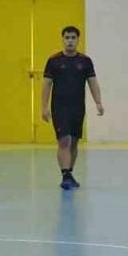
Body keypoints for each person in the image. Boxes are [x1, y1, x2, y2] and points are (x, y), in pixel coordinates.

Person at [40, 26, 103, 190]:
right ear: (63, 39)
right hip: (59, 107)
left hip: (77, 107)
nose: (70, 41)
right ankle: (65, 175)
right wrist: (44, 107)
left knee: (74, 142)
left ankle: (69, 173)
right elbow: (46, 85)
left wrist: (98, 102)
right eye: (67, 37)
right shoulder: (53, 61)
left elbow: (93, 82)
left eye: (73, 38)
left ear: (78, 40)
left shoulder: (85, 61)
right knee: (64, 140)